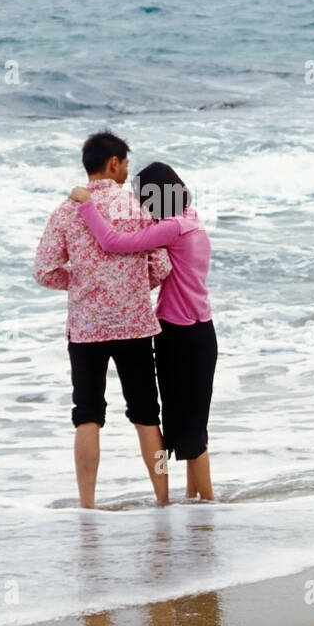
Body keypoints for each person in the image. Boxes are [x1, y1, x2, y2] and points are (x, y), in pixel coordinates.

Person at [33, 131, 172, 509]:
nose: (127, 171)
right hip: (135, 326)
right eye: (126, 163)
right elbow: (160, 265)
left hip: (86, 328)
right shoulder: (135, 210)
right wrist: (129, 285)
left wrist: (81, 283)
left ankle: (87, 505)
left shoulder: (65, 211)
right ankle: (163, 498)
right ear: (113, 163)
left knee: (87, 414)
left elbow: (44, 270)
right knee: (146, 414)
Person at [70, 161, 216, 501]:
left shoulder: (172, 229)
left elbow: (112, 242)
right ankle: (195, 504)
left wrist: (87, 205)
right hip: (203, 333)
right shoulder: (192, 221)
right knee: (189, 425)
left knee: (185, 428)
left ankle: (209, 503)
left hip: (177, 334)